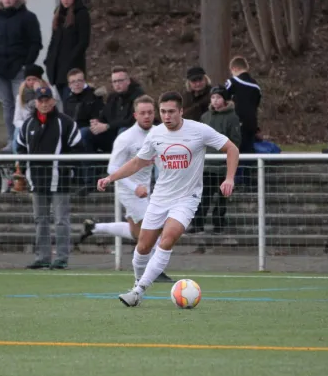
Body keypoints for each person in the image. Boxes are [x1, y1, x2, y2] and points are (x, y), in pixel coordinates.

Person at [97, 92, 240, 307]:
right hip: (160, 197)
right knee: (143, 247)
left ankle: (138, 291)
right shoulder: (155, 135)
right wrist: (111, 177)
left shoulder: (199, 130)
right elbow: (138, 162)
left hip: (187, 198)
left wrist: (229, 178)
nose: (166, 116)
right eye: (163, 111)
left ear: (181, 111)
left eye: (171, 111)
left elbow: (232, 148)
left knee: (167, 239)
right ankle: (138, 281)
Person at [80, 95, 173, 283]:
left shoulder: (159, 133)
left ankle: (95, 227)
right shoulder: (125, 138)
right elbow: (112, 169)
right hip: (128, 190)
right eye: (142, 113)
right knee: (153, 228)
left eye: (150, 112)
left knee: (136, 231)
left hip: (146, 190)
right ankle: (153, 272)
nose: (146, 116)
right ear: (135, 115)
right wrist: (134, 187)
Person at [16, 87, 82, 270]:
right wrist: (22, 170)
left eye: (47, 100)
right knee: (40, 219)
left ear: (53, 101)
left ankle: (61, 258)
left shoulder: (66, 123)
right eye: (41, 100)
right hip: (36, 180)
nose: (44, 104)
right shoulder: (27, 124)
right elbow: (20, 148)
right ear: (35, 103)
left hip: (59, 180)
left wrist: (69, 170)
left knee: (61, 220)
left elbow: (77, 147)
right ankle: (42, 257)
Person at [0, 0, 43, 151]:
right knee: (7, 106)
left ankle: (24, 141)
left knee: (23, 104)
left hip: (19, 69)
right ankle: (12, 141)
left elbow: (35, 42)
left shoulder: (28, 17)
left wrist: (26, 64)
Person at [189, 85, 241, 234]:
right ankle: (198, 224)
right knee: (203, 196)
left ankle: (218, 224)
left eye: (218, 97)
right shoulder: (206, 117)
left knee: (222, 197)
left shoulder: (232, 117)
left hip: (223, 165)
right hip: (206, 164)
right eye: (213, 97)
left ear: (224, 100)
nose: (215, 100)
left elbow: (235, 140)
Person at [226, 56, 261, 190]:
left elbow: (224, 98)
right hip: (251, 123)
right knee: (247, 151)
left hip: (236, 123)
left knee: (233, 151)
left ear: (234, 69)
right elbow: (256, 104)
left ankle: (232, 180)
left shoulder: (232, 82)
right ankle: (247, 180)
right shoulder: (256, 85)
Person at [44, 0, 91, 100]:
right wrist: (48, 60)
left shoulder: (81, 14)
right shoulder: (59, 13)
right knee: (65, 105)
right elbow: (53, 41)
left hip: (72, 69)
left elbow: (83, 42)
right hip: (56, 70)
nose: (65, 0)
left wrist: (70, 61)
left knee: (72, 103)